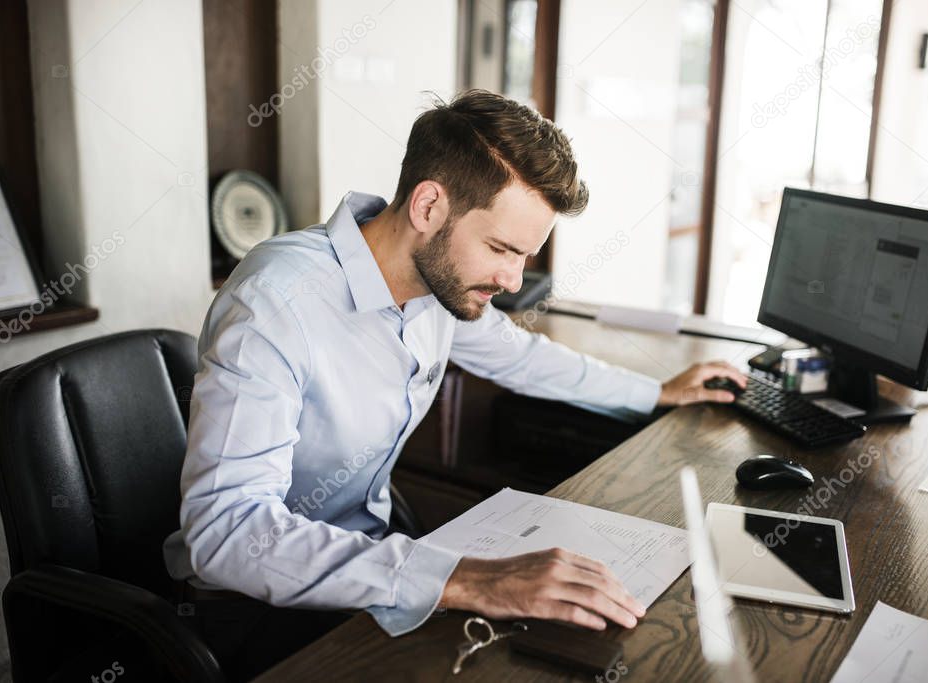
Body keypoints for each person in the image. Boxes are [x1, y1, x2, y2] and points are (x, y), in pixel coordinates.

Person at [163, 89, 746, 677]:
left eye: (526, 256)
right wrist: (465, 578)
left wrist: (658, 392)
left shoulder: (433, 287)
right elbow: (227, 535)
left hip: (371, 567)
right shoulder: (275, 303)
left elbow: (522, 358)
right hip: (254, 608)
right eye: (500, 248)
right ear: (428, 207)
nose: (514, 280)